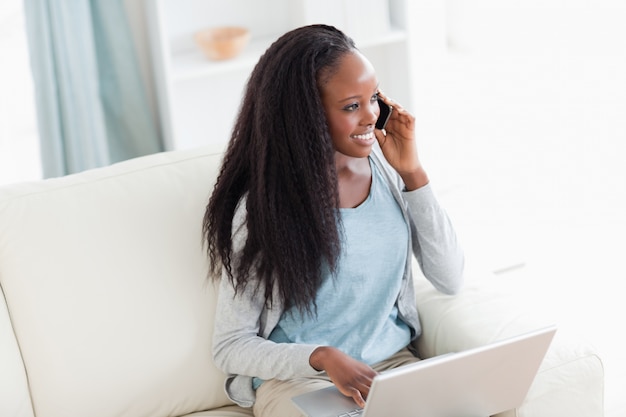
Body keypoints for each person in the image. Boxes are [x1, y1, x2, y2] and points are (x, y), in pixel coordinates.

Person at [202, 24, 464, 417]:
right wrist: (321, 357)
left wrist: (413, 174)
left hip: (389, 368)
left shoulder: (390, 172)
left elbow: (450, 277)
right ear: (304, 116)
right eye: (351, 106)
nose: (372, 117)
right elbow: (230, 345)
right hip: (300, 382)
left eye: (373, 97)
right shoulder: (261, 211)